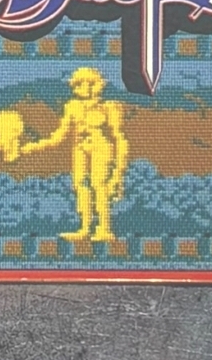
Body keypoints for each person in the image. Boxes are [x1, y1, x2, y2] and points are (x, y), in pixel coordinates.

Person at [17, 67, 129, 242]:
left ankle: (104, 228)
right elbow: (58, 136)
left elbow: (120, 138)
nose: (84, 87)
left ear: (97, 85)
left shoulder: (110, 108)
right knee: (81, 186)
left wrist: (118, 171)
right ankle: (85, 228)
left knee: (100, 186)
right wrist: (31, 147)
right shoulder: (72, 107)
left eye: (88, 83)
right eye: (79, 84)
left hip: (101, 149)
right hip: (80, 150)